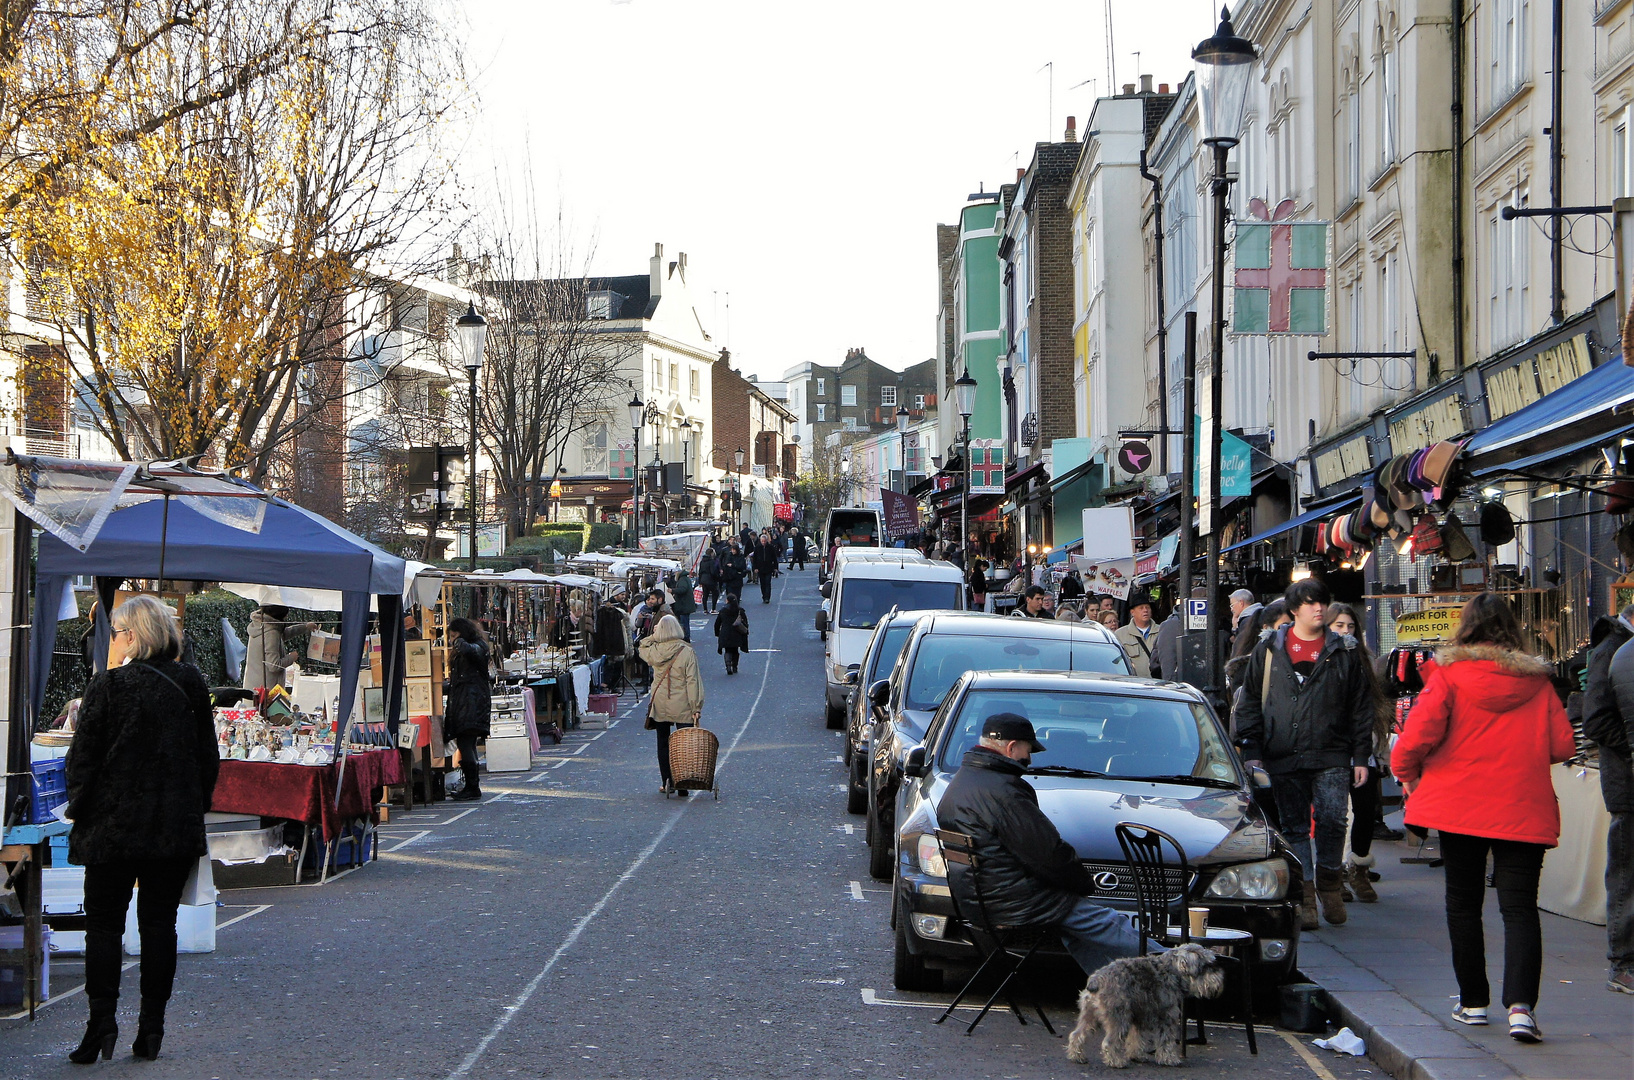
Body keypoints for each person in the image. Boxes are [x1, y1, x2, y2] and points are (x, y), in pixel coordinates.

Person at [1393, 593, 1576, 1041]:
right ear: (1512, 630)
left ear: (1466, 628)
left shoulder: (1449, 677)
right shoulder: (1537, 683)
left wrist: (1407, 773)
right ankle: (1521, 1010)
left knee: (1463, 905)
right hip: (1521, 807)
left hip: (1460, 808)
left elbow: (1416, 737)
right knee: (1519, 909)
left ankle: (1473, 1002)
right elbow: (1563, 746)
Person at [63, 595, 216, 1064]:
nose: (112, 640)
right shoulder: (191, 683)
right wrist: (192, 806)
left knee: (104, 928)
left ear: (132, 635)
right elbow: (207, 759)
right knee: (159, 926)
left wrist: (79, 807)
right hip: (171, 827)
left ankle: (99, 1026)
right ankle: (152, 1030)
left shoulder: (107, 687)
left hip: (112, 827)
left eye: (116, 631)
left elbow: (81, 761)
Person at [937, 713, 1154, 976]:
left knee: (1076, 928)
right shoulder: (1004, 791)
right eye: (1028, 751)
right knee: (1105, 921)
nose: (1029, 760)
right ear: (1012, 747)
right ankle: (1175, 967)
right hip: (1014, 902)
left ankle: (1108, 989)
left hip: (978, 900)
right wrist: (1084, 885)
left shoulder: (962, 782)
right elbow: (1048, 854)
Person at [1232, 578, 1374, 931]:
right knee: (1295, 827)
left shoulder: (1343, 650)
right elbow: (1250, 700)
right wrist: (1252, 748)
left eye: (1322, 602)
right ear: (1294, 610)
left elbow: (1360, 705)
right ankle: (1305, 893)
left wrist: (1360, 754)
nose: (1319, 608)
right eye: (1311, 603)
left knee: (1333, 820)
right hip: (1283, 751)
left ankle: (1329, 882)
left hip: (1332, 751)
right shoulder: (1269, 650)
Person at [1324, 602, 1392, 904]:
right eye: (1339, 626)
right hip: (1332, 749)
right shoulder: (1322, 659)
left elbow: (1374, 709)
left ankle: (1358, 868)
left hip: (1364, 746)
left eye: (1350, 626)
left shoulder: (1364, 660)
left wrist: (1379, 749)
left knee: (1365, 811)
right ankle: (1333, 873)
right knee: (1335, 815)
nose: (1346, 631)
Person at [1586, 604, 1634, 995]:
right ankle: (1622, 963)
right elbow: (1597, 720)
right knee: (1626, 874)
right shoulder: (1611, 650)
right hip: (1626, 782)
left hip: (1625, 777)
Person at [638, 615, 704, 796]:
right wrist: (696, 707)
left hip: (660, 702)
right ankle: (683, 783)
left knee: (663, 743)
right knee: (683, 744)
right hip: (682, 702)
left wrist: (654, 635)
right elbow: (692, 681)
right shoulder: (686, 651)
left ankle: (667, 781)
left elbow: (641, 645)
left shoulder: (655, 651)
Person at [444, 618, 493, 802]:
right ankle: (472, 785)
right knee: (467, 743)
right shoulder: (465, 649)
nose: (452, 640)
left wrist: (459, 642)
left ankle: (473, 786)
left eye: (454, 635)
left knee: (466, 742)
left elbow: (473, 652)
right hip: (465, 702)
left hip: (472, 703)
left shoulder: (477, 646)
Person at [241, 604, 319, 690]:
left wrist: (305, 627)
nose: (286, 617)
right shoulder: (271, 633)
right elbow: (274, 665)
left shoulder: (261, 625)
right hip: (266, 691)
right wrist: (291, 658)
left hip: (254, 686)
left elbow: (283, 634)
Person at [1114, 594, 1158, 678]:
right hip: (1134, 685)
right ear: (1132, 612)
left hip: (1158, 684)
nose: (1145, 610)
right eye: (1141, 608)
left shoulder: (1161, 631)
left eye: (1147, 607)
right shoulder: (1120, 634)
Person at [714, 592, 749, 674]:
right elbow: (745, 622)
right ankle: (735, 667)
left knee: (728, 650)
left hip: (725, 633)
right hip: (737, 633)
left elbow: (717, 623)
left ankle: (728, 666)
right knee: (735, 650)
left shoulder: (723, 611)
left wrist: (717, 633)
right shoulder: (740, 611)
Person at [753, 529, 780, 604]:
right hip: (760, 568)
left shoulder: (770, 547)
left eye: (764, 541)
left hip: (768, 568)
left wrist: (775, 568)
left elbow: (774, 558)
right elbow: (754, 559)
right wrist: (755, 568)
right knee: (762, 583)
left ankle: (767, 597)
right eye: (762, 541)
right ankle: (764, 595)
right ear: (760, 541)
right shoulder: (757, 548)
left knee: (768, 583)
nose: (763, 543)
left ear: (767, 540)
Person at [669, 568, 697, 641]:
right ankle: (686, 636)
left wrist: (673, 590)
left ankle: (686, 637)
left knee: (684, 622)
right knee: (685, 621)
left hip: (684, 604)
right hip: (685, 604)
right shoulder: (685, 579)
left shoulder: (682, 580)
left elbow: (682, 589)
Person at [697, 549, 721, 615]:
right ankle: (713, 609)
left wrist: (700, 581)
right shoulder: (711, 561)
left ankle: (705, 609)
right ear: (711, 553)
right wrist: (718, 577)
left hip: (703, 579)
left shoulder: (702, 561)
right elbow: (713, 572)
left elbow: (700, 571)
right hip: (711, 579)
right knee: (715, 593)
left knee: (705, 595)